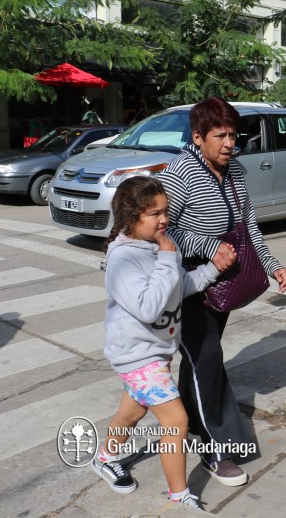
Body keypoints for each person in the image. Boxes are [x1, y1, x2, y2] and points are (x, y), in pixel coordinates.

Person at [159, 96, 286, 486]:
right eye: (220, 135)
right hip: (186, 286)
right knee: (208, 361)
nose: (229, 143)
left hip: (223, 287)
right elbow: (163, 230)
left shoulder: (234, 171)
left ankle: (183, 422)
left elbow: (248, 228)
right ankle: (219, 448)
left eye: (233, 134)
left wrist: (272, 263)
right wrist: (207, 246)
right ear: (198, 136)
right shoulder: (179, 173)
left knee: (199, 366)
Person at [94, 176, 235, 509]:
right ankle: (179, 497)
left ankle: (104, 458)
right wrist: (169, 258)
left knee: (132, 412)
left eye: (166, 211)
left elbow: (179, 285)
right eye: (155, 214)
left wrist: (213, 269)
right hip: (137, 355)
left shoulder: (158, 244)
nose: (164, 219)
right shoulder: (123, 260)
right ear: (131, 219)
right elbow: (148, 306)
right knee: (176, 421)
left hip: (155, 353)